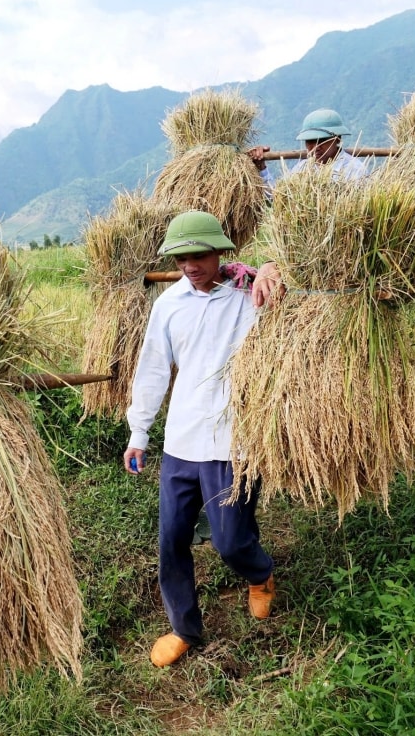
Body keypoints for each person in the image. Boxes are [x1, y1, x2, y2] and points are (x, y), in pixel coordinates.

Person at [122, 211, 275, 668]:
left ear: (222, 252)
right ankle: (183, 626)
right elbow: (152, 369)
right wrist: (139, 433)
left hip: (235, 441)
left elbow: (301, 287)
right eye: (182, 257)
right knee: (171, 540)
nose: (191, 264)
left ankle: (260, 573)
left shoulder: (251, 294)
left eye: (200, 254)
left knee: (230, 541)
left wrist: (272, 268)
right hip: (181, 441)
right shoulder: (168, 304)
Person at [246, 108, 371, 307]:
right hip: (304, 258)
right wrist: (261, 169)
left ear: (337, 138)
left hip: (340, 257)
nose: (315, 147)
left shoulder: (354, 171)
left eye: (321, 140)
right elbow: (279, 201)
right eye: (310, 142)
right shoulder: (302, 169)